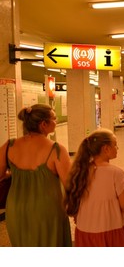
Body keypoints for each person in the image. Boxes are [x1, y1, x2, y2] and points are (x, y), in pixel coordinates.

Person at [0, 104, 72, 246]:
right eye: (54, 118)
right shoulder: (56, 149)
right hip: (47, 209)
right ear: (43, 124)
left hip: (16, 207)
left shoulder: (9, 145)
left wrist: (15, 174)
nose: (56, 121)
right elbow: (69, 184)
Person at [64, 129, 124, 247]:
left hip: (85, 232)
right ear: (106, 149)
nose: (117, 148)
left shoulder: (80, 172)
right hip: (112, 231)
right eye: (115, 145)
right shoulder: (116, 174)